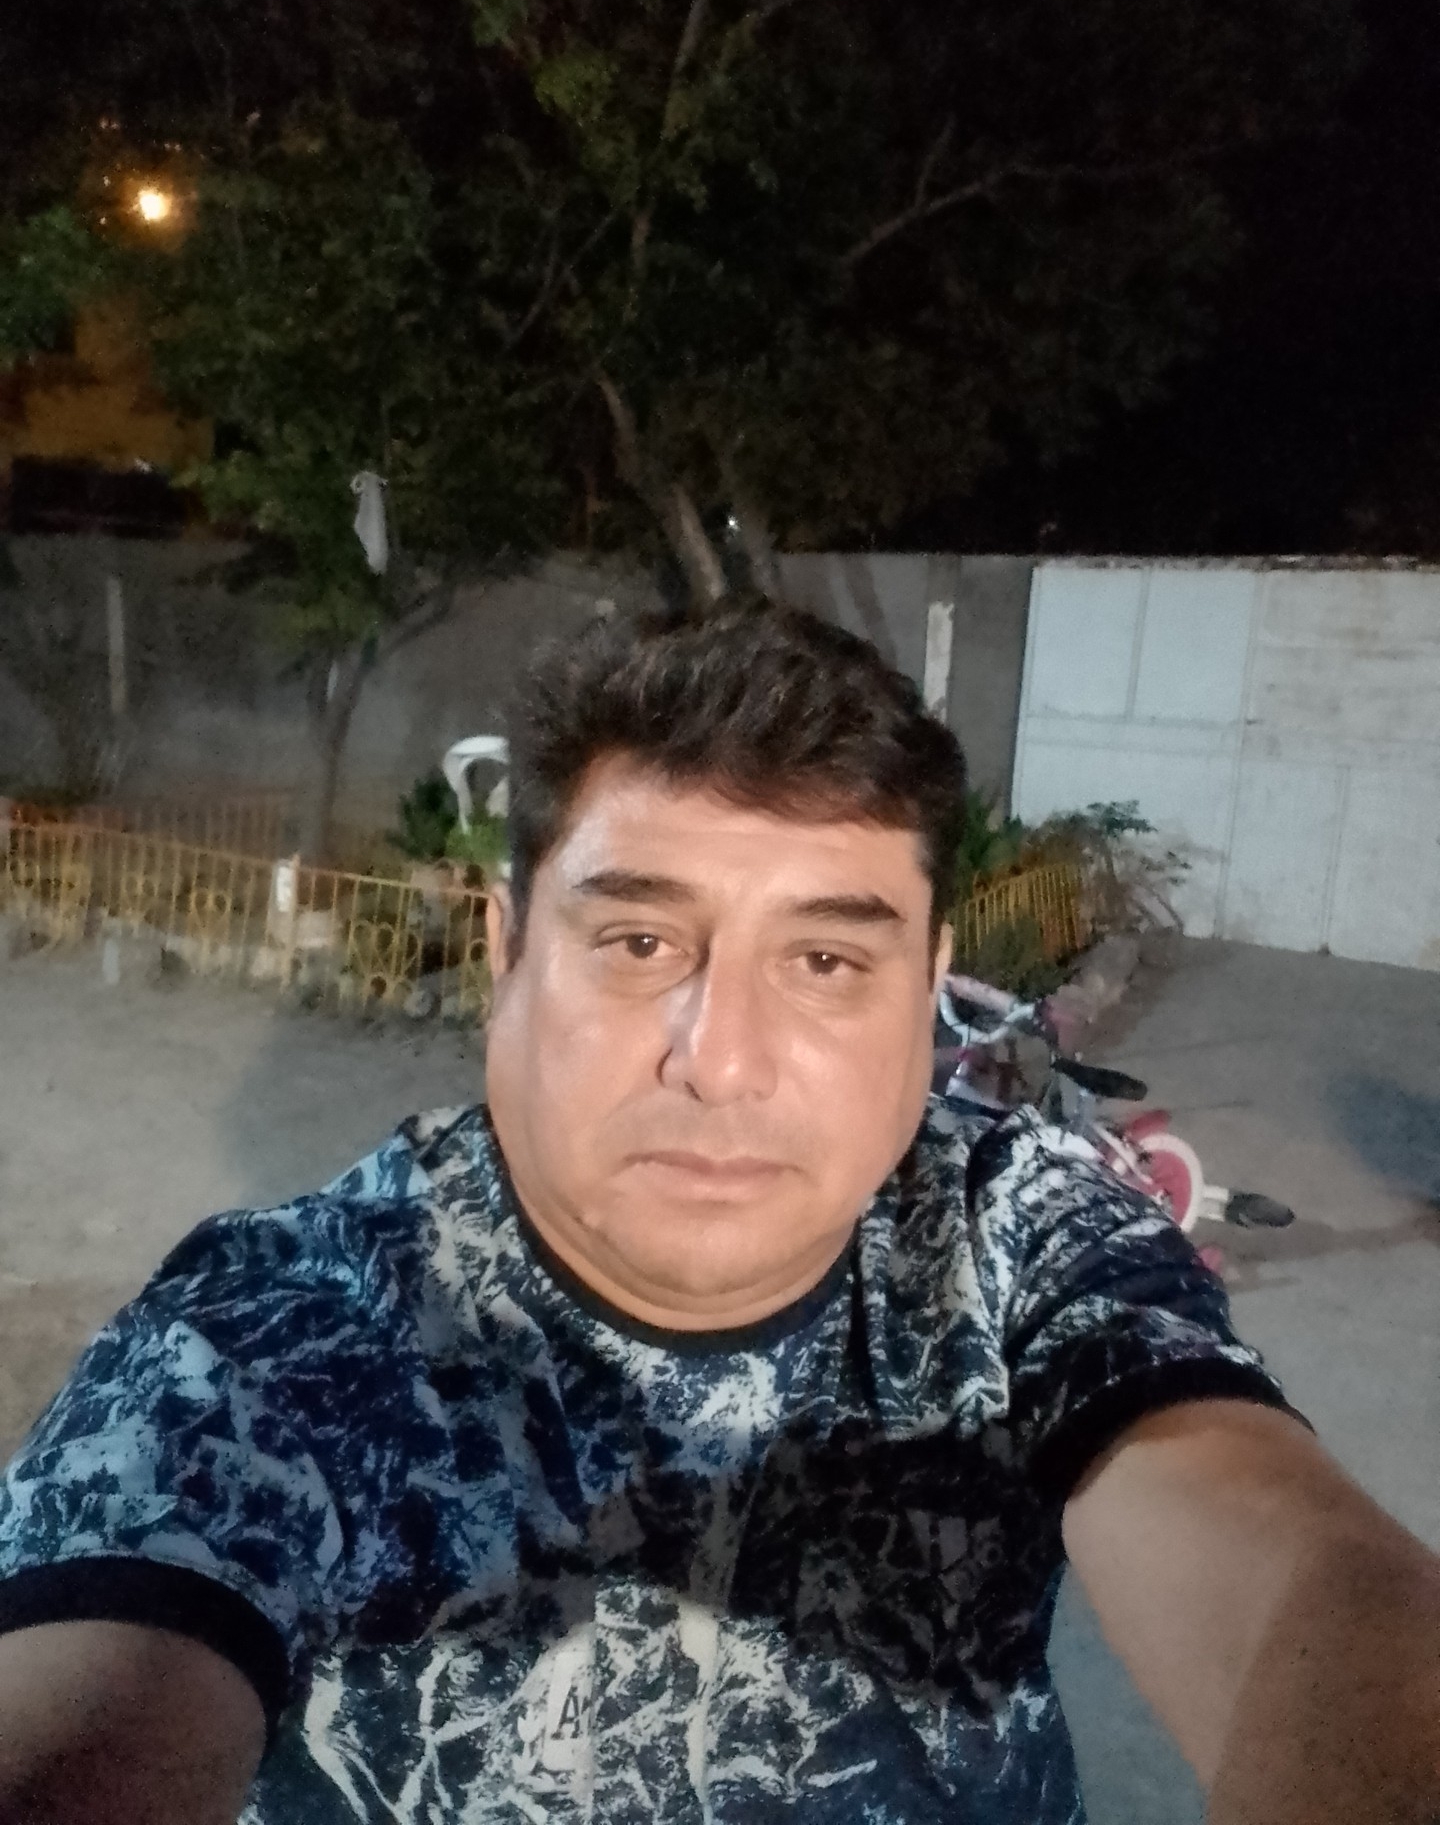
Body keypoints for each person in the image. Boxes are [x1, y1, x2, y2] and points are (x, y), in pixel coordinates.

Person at [0, 603, 1435, 1825]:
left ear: (928, 986)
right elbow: (90, 1688)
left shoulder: (1013, 1240)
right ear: (507, 956)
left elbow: (1293, 1578)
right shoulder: (287, 1335)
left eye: (825, 962)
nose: (723, 1059)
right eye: (639, 941)